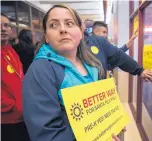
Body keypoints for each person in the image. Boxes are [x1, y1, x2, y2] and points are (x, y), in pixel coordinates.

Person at [23, 5, 121, 141]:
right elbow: (48, 134)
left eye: (69, 23)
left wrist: (112, 124)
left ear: (81, 32)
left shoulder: (92, 64)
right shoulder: (40, 71)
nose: (63, 29)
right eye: (53, 25)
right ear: (46, 36)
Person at [1, 13, 30, 141]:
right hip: (5, 121)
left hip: (21, 117)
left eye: (6, 25)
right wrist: (13, 106)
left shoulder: (11, 51)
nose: (2, 28)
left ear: (11, 30)